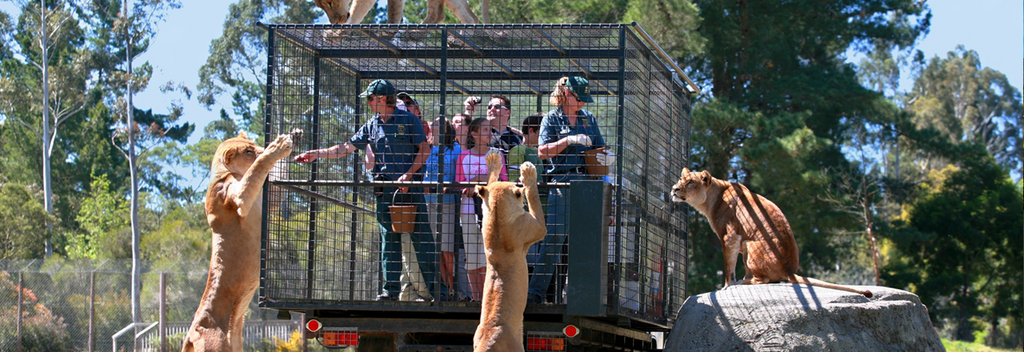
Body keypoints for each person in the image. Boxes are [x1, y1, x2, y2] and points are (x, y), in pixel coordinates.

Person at [294, 79, 437, 302]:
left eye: (370, 98)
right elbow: (344, 148)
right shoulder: (371, 125)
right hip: (384, 191)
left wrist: (408, 175)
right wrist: (316, 153)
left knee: (422, 238)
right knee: (388, 240)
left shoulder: (409, 120)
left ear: (382, 99)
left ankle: (436, 291)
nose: (368, 103)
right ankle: (390, 291)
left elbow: (424, 150)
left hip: (410, 189)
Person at [527, 76, 606, 304]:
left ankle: (584, 296)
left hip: (588, 183)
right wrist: (569, 140)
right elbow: (542, 152)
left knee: (586, 240)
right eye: (579, 98)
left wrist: (605, 161)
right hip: (562, 182)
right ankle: (535, 294)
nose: (582, 103)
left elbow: (601, 149)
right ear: (566, 95)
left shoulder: (588, 118)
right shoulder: (551, 119)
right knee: (554, 238)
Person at [455, 117, 508, 301]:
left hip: (491, 211)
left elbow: (501, 179)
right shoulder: (464, 156)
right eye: (485, 129)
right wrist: (480, 180)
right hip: (469, 211)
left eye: (490, 129)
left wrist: (476, 181)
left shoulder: (496, 154)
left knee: (489, 254)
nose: (489, 133)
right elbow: (459, 183)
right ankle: (476, 298)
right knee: (472, 255)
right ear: (474, 133)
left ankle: (488, 298)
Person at [424, 117, 462, 301]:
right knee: (435, 248)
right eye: (435, 122)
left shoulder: (455, 148)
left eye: (441, 123)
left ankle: (453, 287)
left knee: (447, 248)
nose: (436, 125)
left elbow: (460, 172)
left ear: (447, 129)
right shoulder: (426, 147)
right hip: (428, 200)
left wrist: (451, 185)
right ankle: (443, 289)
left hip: (448, 201)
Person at [507, 112, 543, 182]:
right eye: (541, 132)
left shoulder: (537, 150)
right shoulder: (518, 150)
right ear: (531, 131)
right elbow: (513, 179)